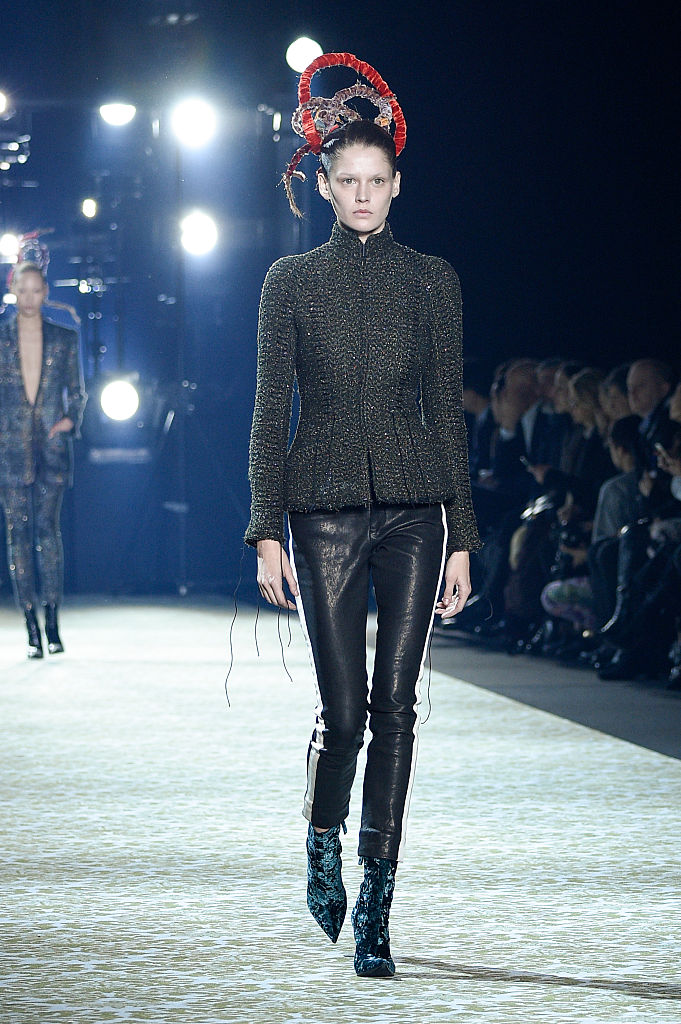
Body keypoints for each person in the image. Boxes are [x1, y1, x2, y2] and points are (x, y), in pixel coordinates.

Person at [244, 53, 480, 979]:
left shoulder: (433, 281)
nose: (363, 194)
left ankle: (378, 903)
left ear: (395, 183)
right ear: (323, 186)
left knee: (398, 709)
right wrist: (266, 526)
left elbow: (447, 413)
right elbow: (271, 411)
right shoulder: (289, 283)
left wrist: (462, 532)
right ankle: (319, 838)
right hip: (326, 512)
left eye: (376, 181)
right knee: (343, 713)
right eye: (347, 181)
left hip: (416, 511)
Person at [0, 261, 86, 657]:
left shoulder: (64, 338)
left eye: (37, 290)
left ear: (46, 291)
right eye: (24, 289)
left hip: (52, 451)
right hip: (9, 451)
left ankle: (52, 620)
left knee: (48, 534)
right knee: (18, 534)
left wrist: (69, 420)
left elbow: (78, 391)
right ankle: (30, 625)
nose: (30, 297)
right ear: (13, 288)